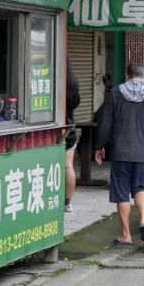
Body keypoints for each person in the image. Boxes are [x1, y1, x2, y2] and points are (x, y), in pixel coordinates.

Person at [94, 62, 144, 246]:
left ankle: (126, 235)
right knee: (141, 188)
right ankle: (143, 218)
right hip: (143, 152)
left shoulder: (115, 94)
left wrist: (100, 146)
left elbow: (105, 123)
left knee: (121, 194)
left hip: (120, 152)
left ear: (127, 76)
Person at [64, 53, 81, 214]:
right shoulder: (72, 82)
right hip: (69, 128)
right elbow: (76, 103)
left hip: (51, 129)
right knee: (68, 166)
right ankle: (67, 202)